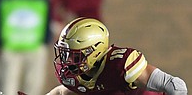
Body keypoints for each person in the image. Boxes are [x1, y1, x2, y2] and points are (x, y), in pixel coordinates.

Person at [47, 17, 188, 95]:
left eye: (75, 56)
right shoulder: (77, 77)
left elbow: (176, 86)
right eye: (65, 54)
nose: (67, 61)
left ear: (94, 51)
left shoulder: (121, 64)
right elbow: (62, 92)